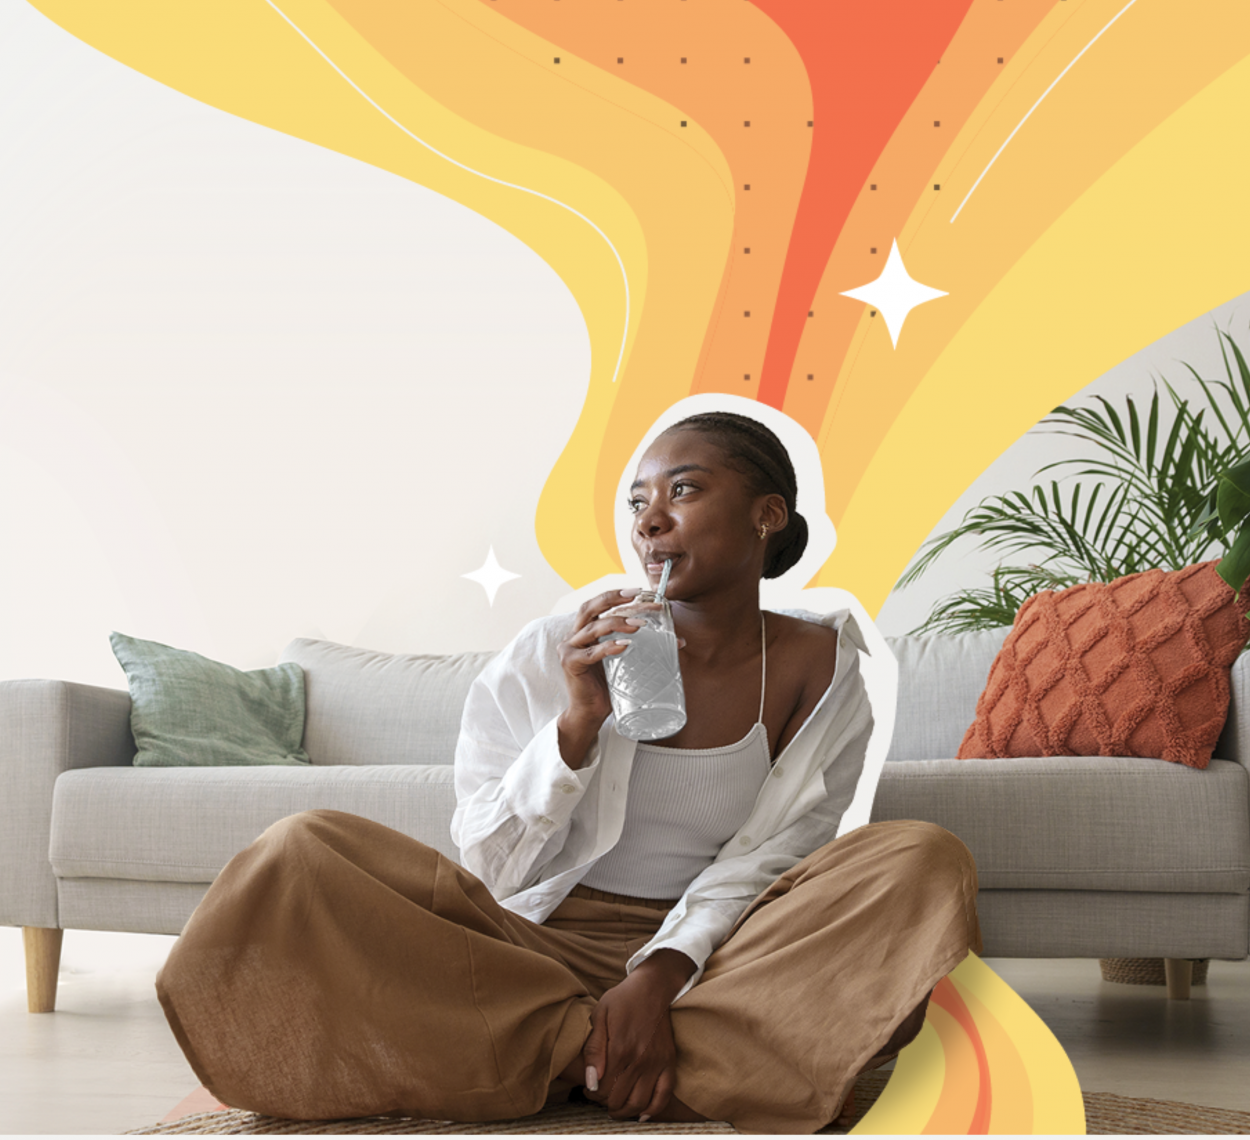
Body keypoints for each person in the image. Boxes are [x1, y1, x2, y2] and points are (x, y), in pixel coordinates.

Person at [151, 410, 982, 1134]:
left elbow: (778, 853)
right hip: (529, 949)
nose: (650, 521)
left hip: (720, 956)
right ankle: (662, 1059)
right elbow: (490, 864)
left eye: (683, 492)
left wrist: (660, 974)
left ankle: (549, 1057)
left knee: (920, 858)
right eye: (638, 502)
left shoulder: (820, 667)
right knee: (299, 854)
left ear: (768, 515)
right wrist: (577, 724)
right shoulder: (556, 650)